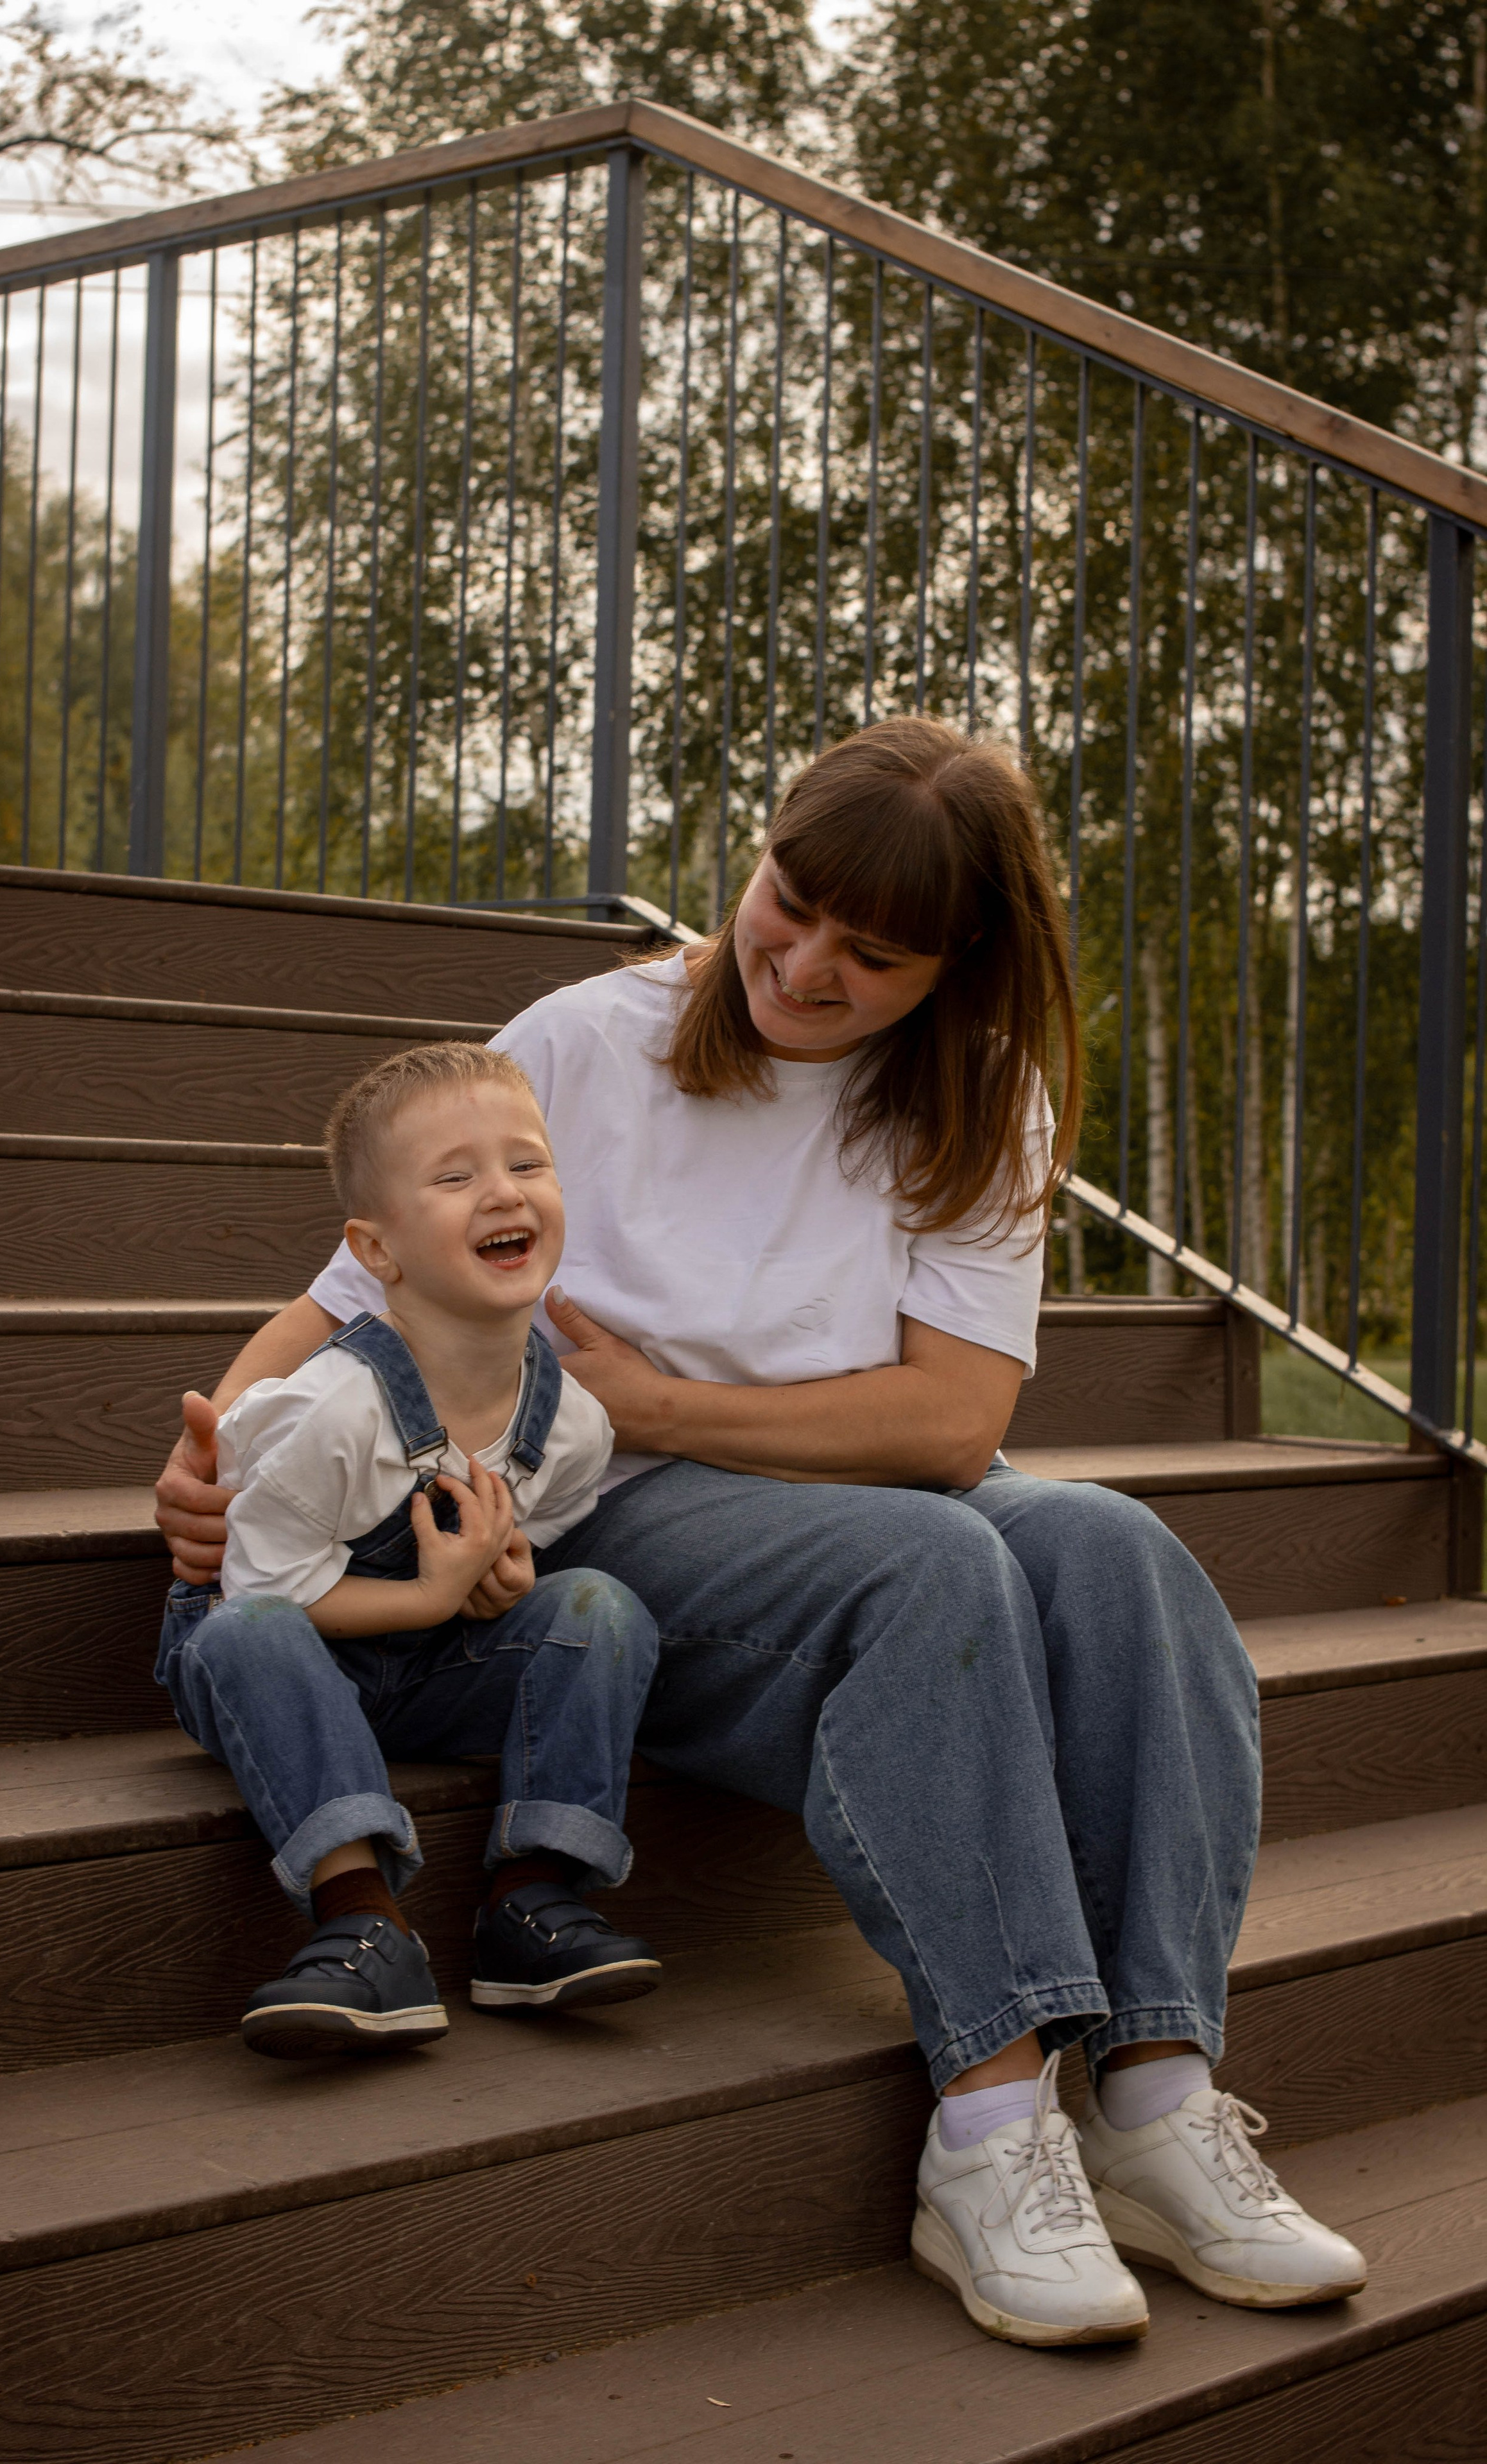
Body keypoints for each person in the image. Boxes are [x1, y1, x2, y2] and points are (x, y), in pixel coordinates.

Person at [156, 717, 1366, 2345]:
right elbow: (351, 1291)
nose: (800, 967)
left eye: (869, 957)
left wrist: (661, 1400)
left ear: (961, 965)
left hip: (804, 1472)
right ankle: (992, 2129)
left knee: (1117, 1551)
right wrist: (218, 1463)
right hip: (621, 1507)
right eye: (784, 902)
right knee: (933, 1566)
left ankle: (1153, 2095)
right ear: (760, 852)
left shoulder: (975, 1102)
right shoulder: (586, 1042)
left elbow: (949, 1424)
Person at [155, 1041, 662, 2062]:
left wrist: (501, 1569)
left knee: (601, 1604)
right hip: (287, 1657)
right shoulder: (335, 1410)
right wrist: (433, 1596)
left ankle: (531, 1899)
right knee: (243, 1635)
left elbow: (544, 1519)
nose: (500, 1193)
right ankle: (361, 1917)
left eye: (525, 1165)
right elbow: (263, 1588)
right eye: (454, 1175)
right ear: (376, 1252)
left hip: (428, 1667)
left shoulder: (574, 1425)